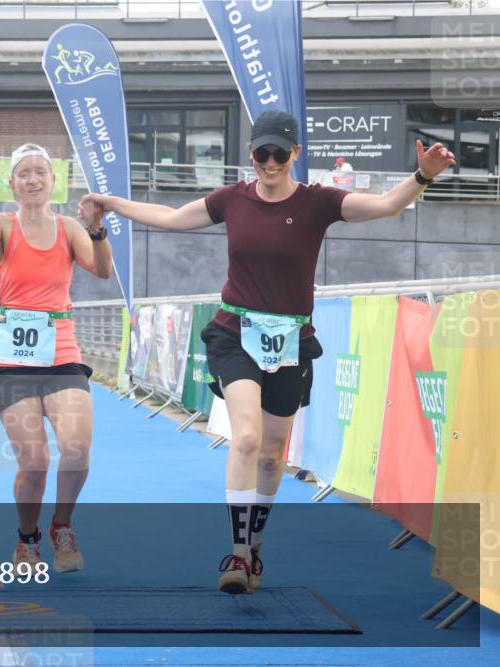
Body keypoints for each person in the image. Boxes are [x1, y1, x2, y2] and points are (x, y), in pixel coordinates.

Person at [80, 109, 455, 594]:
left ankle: (254, 544)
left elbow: (385, 206)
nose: (271, 162)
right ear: (250, 153)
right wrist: (111, 203)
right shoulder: (232, 199)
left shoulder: (319, 202)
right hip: (235, 333)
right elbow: (171, 218)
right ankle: (237, 554)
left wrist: (423, 175)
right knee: (246, 438)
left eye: (280, 153)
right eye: (262, 153)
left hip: (291, 340)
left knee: (273, 454)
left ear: (295, 153)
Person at [0, 132, 113, 573]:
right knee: (36, 461)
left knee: (77, 447)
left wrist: (97, 229)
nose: (32, 179)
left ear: (53, 180)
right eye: (23, 173)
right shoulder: (5, 226)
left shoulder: (69, 229)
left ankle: (62, 525)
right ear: (12, 184)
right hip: (11, 356)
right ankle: (28, 537)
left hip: (61, 349)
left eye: (40, 172)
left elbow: (103, 270)